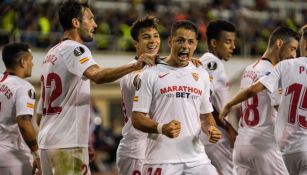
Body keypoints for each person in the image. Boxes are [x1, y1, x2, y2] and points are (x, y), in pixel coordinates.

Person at [36, 1, 155, 175]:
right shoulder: (75, 49)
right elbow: (97, 75)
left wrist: (83, 142)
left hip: (48, 142)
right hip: (67, 144)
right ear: (76, 22)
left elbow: (40, 114)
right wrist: (135, 66)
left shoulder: (51, 53)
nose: (95, 24)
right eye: (90, 19)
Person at [131, 20, 221, 175]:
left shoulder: (202, 74)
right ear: (170, 41)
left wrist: (211, 129)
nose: (185, 46)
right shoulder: (150, 73)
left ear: (195, 45)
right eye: (180, 40)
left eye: (190, 42)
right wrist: (162, 128)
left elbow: (206, 117)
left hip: (197, 159)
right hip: (161, 159)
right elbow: (137, 118)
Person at [220, 25, 307, 175]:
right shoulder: (274, 72)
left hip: (242, 145)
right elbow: (281, 107)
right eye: (292, 48)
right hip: (265, 145)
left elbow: (250, 93)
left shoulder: (249, 69)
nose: (293, 55)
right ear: (279, 43)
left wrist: (229, 104)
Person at [116, 15, 161, 175]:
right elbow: (139, 81)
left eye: (156, 36)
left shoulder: (159, 67)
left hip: (155, 146)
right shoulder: (131, 69)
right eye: (146, 37)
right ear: (136, 43)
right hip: (136, 148)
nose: (153, 41)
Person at [198, 19, 237, 175]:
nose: (233, 47)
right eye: (228, 42)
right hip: (215, 133)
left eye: (233, 42)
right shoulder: (211, 62)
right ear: (214, 43)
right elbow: (203, 97)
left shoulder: (212, 62)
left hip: (211, 131)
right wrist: (227, 128)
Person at [0, 43, 41, 175]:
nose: (33, 64)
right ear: (23, 62)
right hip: (14, 157)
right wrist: (37, 154)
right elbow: (24, 122)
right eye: (31, 60)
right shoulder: (24, 86)